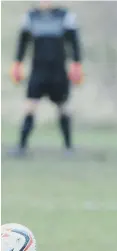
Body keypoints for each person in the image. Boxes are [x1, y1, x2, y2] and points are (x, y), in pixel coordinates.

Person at [10, 0, 83, 156]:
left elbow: (74, 42)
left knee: (63, 108)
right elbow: (22, 42)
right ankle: (21, 147)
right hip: (38, 71)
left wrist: (77, 64)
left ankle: (68, 147)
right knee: (29, 107)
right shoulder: (31, 17)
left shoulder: (64, 16)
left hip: (58, 72)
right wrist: (18, 63)